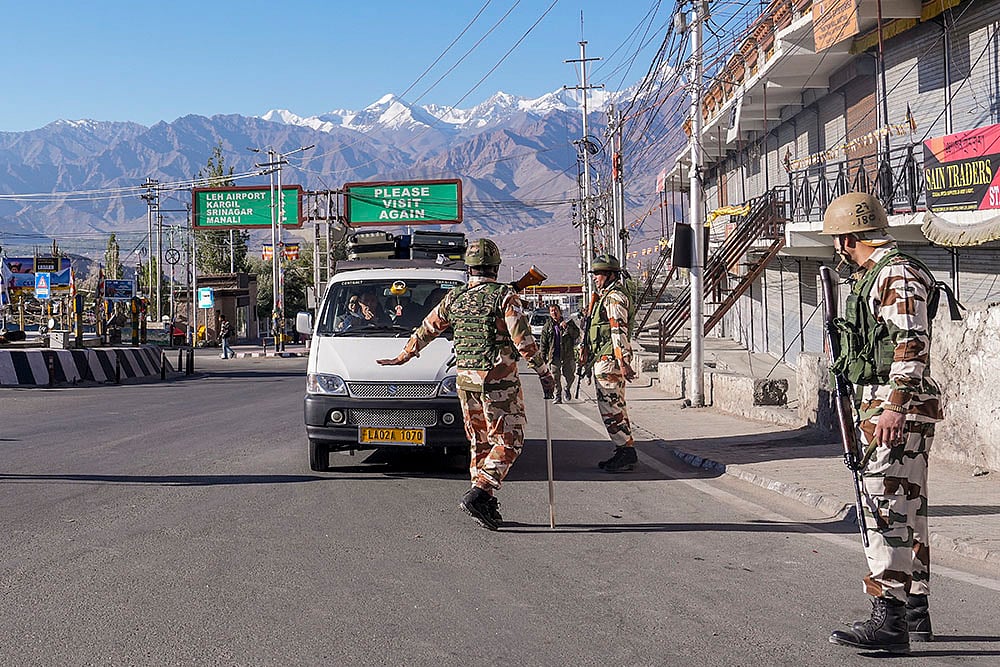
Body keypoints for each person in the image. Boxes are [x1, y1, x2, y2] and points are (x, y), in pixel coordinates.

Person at [821, 192, 942, 654]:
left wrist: (893, 406)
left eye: (838, 240)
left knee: (884, 510)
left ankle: (888, 618)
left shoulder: (894, 273)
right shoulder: (883, 273)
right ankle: (913, 613)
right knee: (908, 510)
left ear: (849, 237)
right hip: (889, 406)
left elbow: (911, 342)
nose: (838, 248)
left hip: (893, 409)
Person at [377, 238, 556, 531]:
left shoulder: (456, 297)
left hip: (465, 382)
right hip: (498, 384)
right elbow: (523, 341)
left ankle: (485, 501)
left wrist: (403, 356)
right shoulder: (504, 297)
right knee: (510, 441)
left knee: (480, 442)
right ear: (496, 268)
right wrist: (544, 373)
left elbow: (427, 328)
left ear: (469, 268)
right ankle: (480, 492)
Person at [581, 254, 638, 473]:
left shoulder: (614, 297)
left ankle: (625, 450)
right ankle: (624, 449)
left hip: (609, 360)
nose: (595, 278)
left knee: (611, 407)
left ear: (611, 275)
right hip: (604, 357)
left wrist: (622, 360)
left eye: (598, 273)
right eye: (594, 273)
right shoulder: (606, 296)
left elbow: (617, 328)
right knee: (614, 406)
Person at [538, 303, 581, 403]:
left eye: (555, 310)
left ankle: (567, 388)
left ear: (559, 311)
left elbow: (576, 334)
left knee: (570, 375)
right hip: (554, 356)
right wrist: (543, 359)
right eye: (552, 311)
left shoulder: (568, 322)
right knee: (555, 377)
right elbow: (543, 344)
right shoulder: (547, 326)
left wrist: (567, 328)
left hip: (568, 355)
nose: (554, 312)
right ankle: (558, 395)